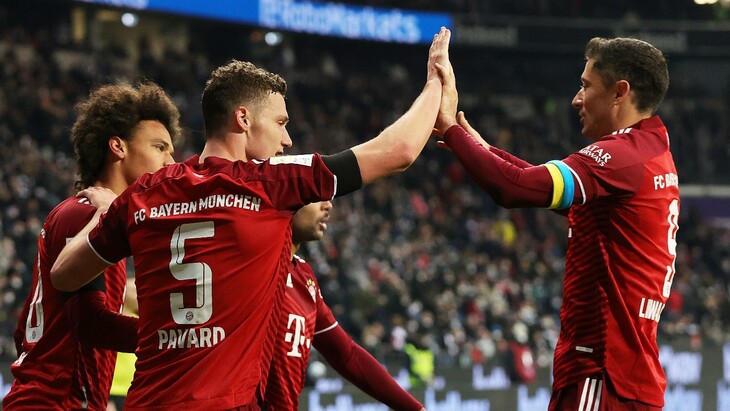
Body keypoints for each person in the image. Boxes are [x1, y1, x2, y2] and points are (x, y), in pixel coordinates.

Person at [50, 27, 452, 410]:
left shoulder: (144, 193)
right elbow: (398, 151)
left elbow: (64, 275)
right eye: (280, 123)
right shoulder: (271, 182)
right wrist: (436, 82)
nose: (286, 140)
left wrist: (106, 213)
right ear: (243, 119)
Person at [434, 37, 676, 410]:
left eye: (586, 86)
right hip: (621, 376)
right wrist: (479, 149)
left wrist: (450, 126)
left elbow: (514, 189)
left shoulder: (620, 158)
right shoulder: (651, 152)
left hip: (601, 374)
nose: (576, 100)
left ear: (619, 92)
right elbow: (536, 185)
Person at [3, 82, 180, 410]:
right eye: (159, 147)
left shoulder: (102, 222)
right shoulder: (84, 214)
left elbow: (26, 328)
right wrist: (172, 338)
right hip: (56, 401)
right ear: (118, 147)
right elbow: (89, 321)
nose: (171, 161)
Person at [263, 201, 425, 411]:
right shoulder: (255, 266)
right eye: (316, 197)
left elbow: (347, 355)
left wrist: (415, 409)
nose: (328, 205)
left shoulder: (304, 276)